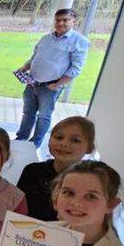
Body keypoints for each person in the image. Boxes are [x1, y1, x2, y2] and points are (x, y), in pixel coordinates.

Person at [15, 8, 90, 147]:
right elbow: (35, 57)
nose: (60, 23)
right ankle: (20, 140)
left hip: (50, 87)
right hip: (32, 83)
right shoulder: (46, 38)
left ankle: (35, 145)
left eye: (65, 20)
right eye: (58, 20)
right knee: (27, 113)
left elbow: (76, 68)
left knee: (43, 117)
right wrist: (24, 67)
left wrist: (58, 84)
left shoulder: (79, 41)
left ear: (74, 21)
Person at [16, 116, 95, 221]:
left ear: (89, 148)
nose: (64, 144)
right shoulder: (32, 170)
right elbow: (16, 205)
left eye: (75, 140)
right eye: (59, 137)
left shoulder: (90, 182)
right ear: (49, 140)